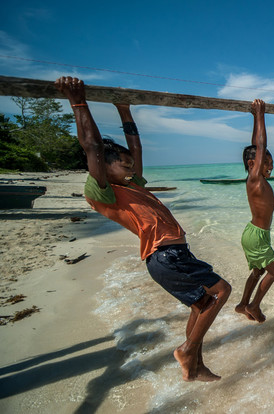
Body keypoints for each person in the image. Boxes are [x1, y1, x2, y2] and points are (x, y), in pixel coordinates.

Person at [54, 76, 231, 383]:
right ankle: (188, 350)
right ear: (104, 166)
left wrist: (125, 111)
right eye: (125, 165)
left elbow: (134, 148)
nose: (133, 169)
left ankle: (194, 364)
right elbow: (93, 146)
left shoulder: (130, 183)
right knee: (222, 290)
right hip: (165, 256)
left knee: (202, 304)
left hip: (173, 254)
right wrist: (77, 100)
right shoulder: (103, 190)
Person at [235, 99, 274, 323]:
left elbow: (257, 147)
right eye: (267, 163)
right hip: (257, 236)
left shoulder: (256, 178)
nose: (270, 167)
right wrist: (261, 115)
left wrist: (254, 117)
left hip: (255, 233)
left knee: (258, 272)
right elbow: (260, 145)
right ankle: (254, 305)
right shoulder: (254, 179)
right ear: (253, 163)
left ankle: (243, 304)